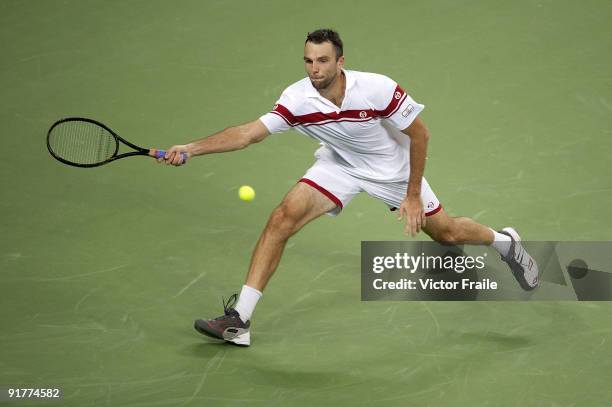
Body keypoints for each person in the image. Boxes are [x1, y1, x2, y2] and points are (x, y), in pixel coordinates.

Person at [157, 29, 539, 346]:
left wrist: (411, 195)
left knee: (447, 233)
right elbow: (247, 134)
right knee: (281, 218)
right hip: (340, 165)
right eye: (308, 60)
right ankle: (239, 320)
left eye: (322, 61)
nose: (314, 69)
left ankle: (505, 242)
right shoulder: (296, 99)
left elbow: (420, 136)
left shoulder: (376, 89)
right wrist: (191, 148)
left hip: (393, 171)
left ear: (341, 61)